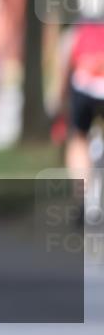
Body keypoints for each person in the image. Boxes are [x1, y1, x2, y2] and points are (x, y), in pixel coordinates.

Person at [54, 21, 104, 223]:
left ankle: (82, 197)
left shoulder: (76, 34)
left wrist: (59, 102)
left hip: (84, 89)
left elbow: (64, 72)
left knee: (78, 141)